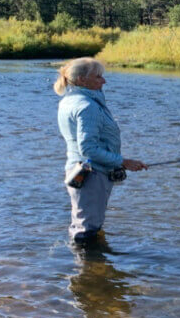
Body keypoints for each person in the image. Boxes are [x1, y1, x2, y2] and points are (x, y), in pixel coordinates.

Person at [55, 57, 147, 243]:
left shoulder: (69, 100)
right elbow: (88, 148)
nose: (103, 81)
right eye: (98, 77)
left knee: (84, 223)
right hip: (91, 175)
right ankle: (88, 260)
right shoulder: (87, 106)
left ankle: (85, 259)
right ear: (82, 80)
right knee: (86, 229)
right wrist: (123, 162)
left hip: (78, 170)